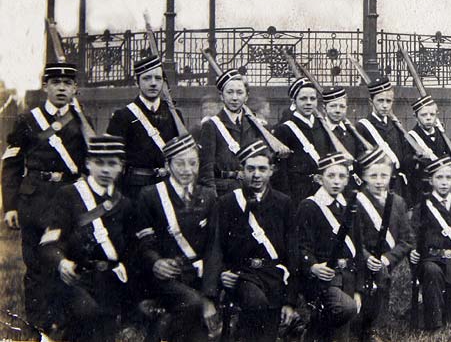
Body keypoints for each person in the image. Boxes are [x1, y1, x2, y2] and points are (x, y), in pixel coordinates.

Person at [2, 60, 93, 332]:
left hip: (67, 201)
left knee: (66, 260)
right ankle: (37, 325)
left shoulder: (82, 122)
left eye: (67, 84)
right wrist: (10, 205)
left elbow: (90, 161)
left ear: (75, 88)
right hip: (35, 201)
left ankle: (63, 322)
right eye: (56, 83)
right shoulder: (28, 120)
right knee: (36, 265)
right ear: (45, 87)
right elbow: (12, 164)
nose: (61, 89)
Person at [39, 135, 130, 342]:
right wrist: (61, 262)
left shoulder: (124, 204)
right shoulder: (68, 195)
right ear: (88, 163)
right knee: (88, 316)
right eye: (99, 163)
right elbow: (49, 242)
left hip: (109, 280)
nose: (105, 170)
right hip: (75, 279)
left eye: (112, 163)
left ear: (121, 167)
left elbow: (130, 248)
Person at [134, 134, 220, 342]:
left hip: (198, 275)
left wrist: (209, 297)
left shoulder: (208, 196)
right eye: (180, 164)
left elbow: (214, 247)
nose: (187, 170)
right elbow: (144, 242)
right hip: (167, 277)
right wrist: (155, 262)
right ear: (168, 165)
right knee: (192, 304)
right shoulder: (151, 195)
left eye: (193, 163)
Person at [213, 140, 299, 342]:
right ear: (241, 171)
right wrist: (222, 273)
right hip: (242, 274)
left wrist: (291, 300)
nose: (256, 175)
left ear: (272, 171)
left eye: (262, 169)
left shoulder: (284, 203)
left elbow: (292, 252)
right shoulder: (227, 202)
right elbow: (216, 245)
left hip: (274, 275)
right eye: (250, 168)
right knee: (256, 303)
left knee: (270, 324)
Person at [294, 151, 362, 342]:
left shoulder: (349, 207)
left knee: (341, 334)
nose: (336, 181)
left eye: (341, 176)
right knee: (345, 309)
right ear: (318, 178)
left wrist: (358, 288)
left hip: (348, 275)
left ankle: (312, 332)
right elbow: (300, 246)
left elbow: (358, 247)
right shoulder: (309, 206)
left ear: (347, 179)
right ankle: (310, 331)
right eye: (330, 176)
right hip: (322, 279)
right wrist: (313, 267)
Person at [408, 156, 451, 330]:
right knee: (432, 273)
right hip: (431, 261)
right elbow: (411, 237)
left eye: (448, 178)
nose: (444, 183)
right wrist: (411, 251)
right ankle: (435, 327)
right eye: (439, 178)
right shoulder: (422, 208)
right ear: (431, 181)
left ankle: (442, 314)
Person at [351, 147, 413, 342]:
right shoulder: (357, 202)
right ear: (363, 177)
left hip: (386, 259)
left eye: (384, 176)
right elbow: (352, 239)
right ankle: (363, 328)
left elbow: (407, 239)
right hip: (361, 258)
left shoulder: (398, 202)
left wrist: (387, 258)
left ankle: (376, 327)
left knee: (381, 287)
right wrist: (368, 258)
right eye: (373, 176)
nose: (379, 181)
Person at [106, 53, 187, 198]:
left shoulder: (174, 115)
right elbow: (112, 161)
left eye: (158, 78)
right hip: (135, 190)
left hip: (166, 187)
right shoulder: (123, 116)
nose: (153, 83)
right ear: (137, 82)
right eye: (146, 78)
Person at [197, 68, 262, 197]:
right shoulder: (211, 125)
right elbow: (206, 169)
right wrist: (212, 197)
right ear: (221, 96)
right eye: (229, 92)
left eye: (239, 92)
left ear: (246, 96)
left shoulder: (254, 124)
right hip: (224, 192)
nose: (234, 98)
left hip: (250, 191)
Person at [272, 77, 338, 203]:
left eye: (312, 99)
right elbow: (281, 170)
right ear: (294, 101)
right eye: (303, 99)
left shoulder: (322, 125)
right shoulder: (285, 129)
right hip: (297, 192)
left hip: (323, 189)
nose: (308, 103)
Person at [355, 77, 410, 197]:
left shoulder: (395, 125)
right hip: (376, 186)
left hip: (397, 186)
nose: (385, 105)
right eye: (380, 101)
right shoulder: (362, 127)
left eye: (388, 101)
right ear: (371, 102)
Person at [404, 95, 451, 204]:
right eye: (424, 115)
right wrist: (416, 158)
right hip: (421, 189)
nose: (428, 118)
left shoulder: (442, 135)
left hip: (443, 188)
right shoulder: (410, 137)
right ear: (415, 117)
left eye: (432, 114)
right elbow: (406, 164)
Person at [321, 85, 363, 162]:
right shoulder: (319, 131)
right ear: (324, 108)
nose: (338, 110)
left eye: (342, 106)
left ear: (346, 108)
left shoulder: (352, 132)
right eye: (333, 106)